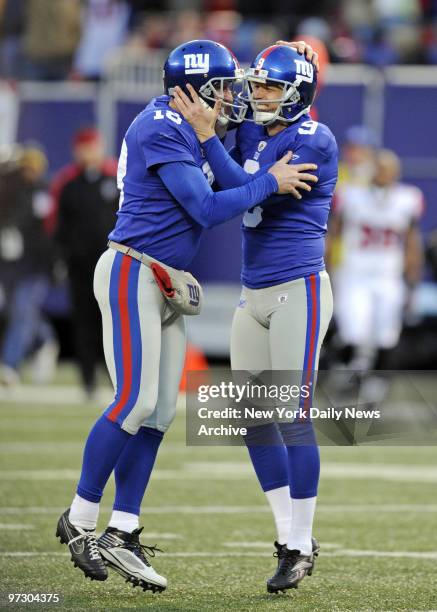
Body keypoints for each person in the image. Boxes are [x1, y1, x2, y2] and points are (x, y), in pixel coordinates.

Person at [55, 39, 319, 593]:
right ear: (194, 90)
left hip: (167, 281)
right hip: (132, 270)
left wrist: (294, 63)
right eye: (224, 87)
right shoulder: (162, 126)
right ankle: (79, 518)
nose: (233, 98)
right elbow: (204, 205)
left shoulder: (196, 122)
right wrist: (269, 183)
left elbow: (281, 122)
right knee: (135, 400)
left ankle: (122, 530)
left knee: (159, 414)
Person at [172, 43, 338, 593]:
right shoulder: (252, 132)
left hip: (299, 289)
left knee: (292, 414)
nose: (257, 95)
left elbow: (243, 193)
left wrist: (206, 138)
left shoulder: (315, 139)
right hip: (254, 293)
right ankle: (289, 536)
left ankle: (300, 543)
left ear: (298, 94)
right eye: (257, 85)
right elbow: (228, 183)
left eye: (269, 87)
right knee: (251, 418)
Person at [330, 149, 423, 373]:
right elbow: (333, 235)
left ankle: (377, 382)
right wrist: (327, 268)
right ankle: (347, 376)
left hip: (388, 275)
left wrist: (412, 282)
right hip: (354, 273)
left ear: (396, 173)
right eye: (379, 168)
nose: (382, 173)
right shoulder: (351, 195)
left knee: (386, 335)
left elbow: (411, 242)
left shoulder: (407, 199)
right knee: (353, 330)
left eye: (387, 169)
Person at [52, 128, 119, 397]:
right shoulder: (68, 183)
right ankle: (88, 379)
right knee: (84, 320)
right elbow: (59, 226)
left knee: (113, 320)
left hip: (112, 262)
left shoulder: (116, 178)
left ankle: (116, 377)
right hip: (80, 265)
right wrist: (60, 257)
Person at [0, 144, 57, 386]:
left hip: (36, 264)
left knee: (23, 310)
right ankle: (44, 340)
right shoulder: (11, 190)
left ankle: (9, 366)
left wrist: (55, 261)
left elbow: (49, 232)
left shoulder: (44, 193)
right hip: (12, 264)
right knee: (15, 311)